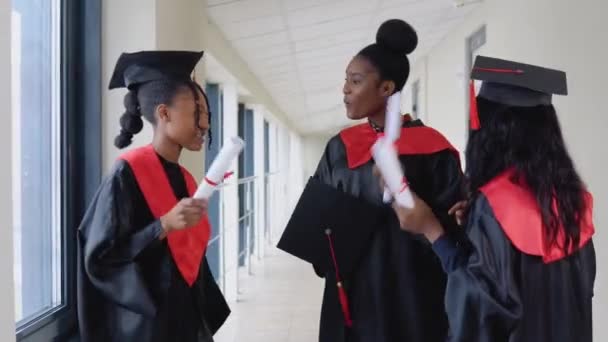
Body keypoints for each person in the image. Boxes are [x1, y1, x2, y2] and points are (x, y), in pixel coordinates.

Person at [383, 55, 596, 342]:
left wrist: (432, 231)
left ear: (491, 130)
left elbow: (476, 313)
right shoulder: (574, 202)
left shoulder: (495, 206)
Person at [306, 19, 464, 342]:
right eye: (346, 80)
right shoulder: (341, 147)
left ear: (387, 88)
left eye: (356, 80)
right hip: (400, 304)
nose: (345, 89)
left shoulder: (431, 149)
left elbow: (453, 239)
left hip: (404, 301)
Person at [77, 50, 230, 342]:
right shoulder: (127, 174)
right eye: (197, 112)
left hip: (184, 318)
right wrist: (162, 226)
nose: (205, 124)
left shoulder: (185, 178)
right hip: (146, 327)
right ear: (164, 113)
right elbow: (101, 258)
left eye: (206, 114)